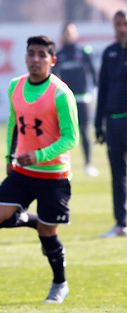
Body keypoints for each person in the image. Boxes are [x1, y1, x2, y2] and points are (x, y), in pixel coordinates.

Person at [0, 36, 79, 304]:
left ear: (52, 60)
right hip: (23, 171)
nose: (35, 59)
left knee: (48, 235)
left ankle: (60, 283)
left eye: (41, 55)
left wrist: (39, 155)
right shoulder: (15, 86)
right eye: (31, 54)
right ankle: (36, 220)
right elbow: (13, 124)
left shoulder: (61, 93)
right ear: (25, 57)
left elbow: (70, 138)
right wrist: (9, 155)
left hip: (54, 175)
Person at [96, 10, 127, 238]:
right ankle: (121, 223)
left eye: (125, 23)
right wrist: (98, 124)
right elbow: (103, 90)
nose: (122, 28)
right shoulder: (109, 53)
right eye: (118, 24)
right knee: (117, 174)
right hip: (113, 122)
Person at [53, 22, 98, 177]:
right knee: (63, 132)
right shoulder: (59, 55)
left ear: (76, 34)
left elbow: (94, 73)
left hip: (82, 98)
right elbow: (53, 76)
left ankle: (88, 164)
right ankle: (62, 164)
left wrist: (95, 92)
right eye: (65, 32)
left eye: (71, 32)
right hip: (65, 100)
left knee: (84, 131)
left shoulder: (83, 52)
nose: (68, 34)